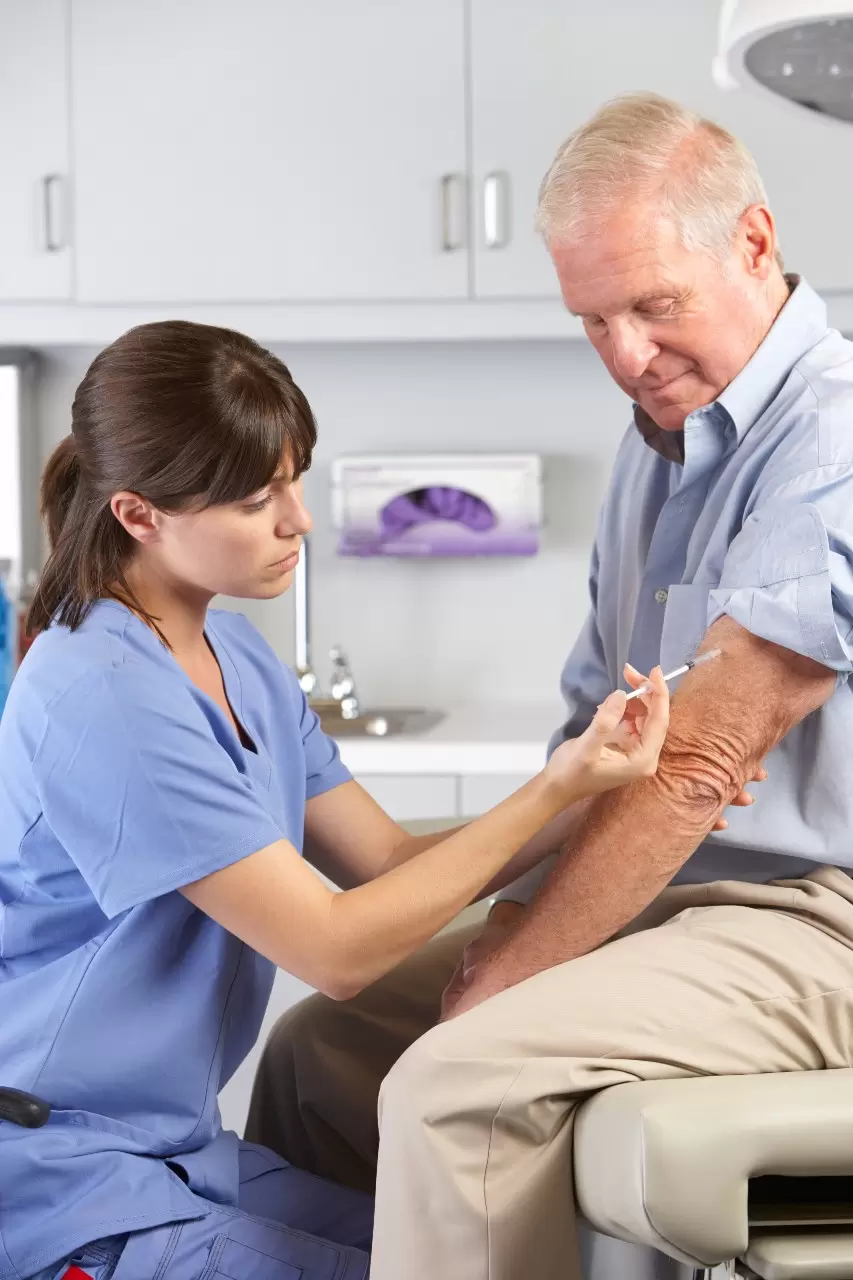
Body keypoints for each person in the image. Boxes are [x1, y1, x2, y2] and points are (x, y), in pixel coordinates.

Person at [246, 93, 853, 1280]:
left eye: (653, 305)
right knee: (317, 1053)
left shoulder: (832, 440)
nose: (625, 352)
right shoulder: (653, 446)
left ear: (753, 241)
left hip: (815, 917)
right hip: (676, 900)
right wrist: (517, 918)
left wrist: (511, 969)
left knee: (458, 1075)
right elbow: (597, 750)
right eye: (592, 319)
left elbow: (693, 765)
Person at [0, 319, 675, 1280]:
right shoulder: (104, 690)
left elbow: (390, 864)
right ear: (139, 515)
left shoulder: (236, 658)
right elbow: (334, 948)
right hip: (58, 1176)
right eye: (254, 499)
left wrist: (596, 794)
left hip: (176, 1156)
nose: (297, 521)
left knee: (482, 1252)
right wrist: (560, 785)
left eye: (293, 480)